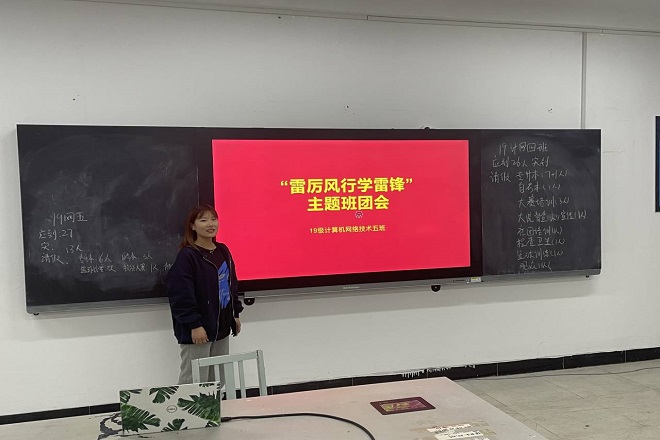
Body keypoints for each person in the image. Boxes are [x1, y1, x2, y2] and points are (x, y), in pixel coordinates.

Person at [166, 204, 244, 384]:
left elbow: (231, 284)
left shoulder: (223, 250)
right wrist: (194, 324)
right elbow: (180, 294)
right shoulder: (188, 256)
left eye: (214, 219)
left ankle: (216, 404)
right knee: (195, 381)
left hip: (222, 327)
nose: (210, 224)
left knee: (218, 380)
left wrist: (235, 314)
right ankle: (189, 406)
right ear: (192, 226)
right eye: (203, 220)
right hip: (198, 329)